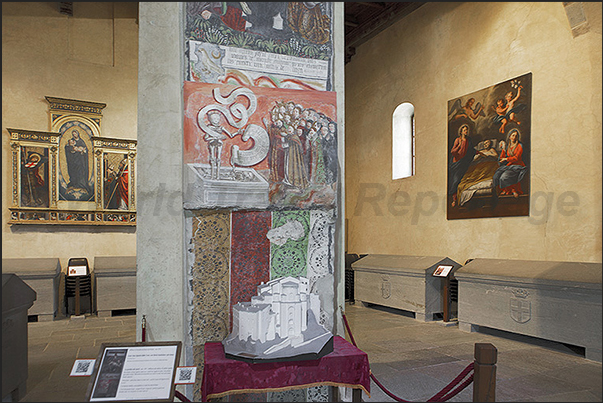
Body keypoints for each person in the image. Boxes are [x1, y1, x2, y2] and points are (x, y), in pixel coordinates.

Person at [493, 128, 527, 198]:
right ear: (509, 137)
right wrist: (503, 149)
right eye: (513, 135)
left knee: (504, 177)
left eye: (516, 136)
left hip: (517, 165)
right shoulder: (507, 146)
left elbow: (516, 158)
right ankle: (503, 190)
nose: (514, 137)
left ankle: (513, 190)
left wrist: (506, 159)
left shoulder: (520, 145)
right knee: (496, 176)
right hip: (509, 165)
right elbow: (501, 158)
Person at [448, 124, 476, 207]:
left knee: (462, 180)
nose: (466, 131)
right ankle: (454, 199)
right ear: (461, 131)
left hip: (464, 162)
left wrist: (480, 153)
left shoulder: (469, 140)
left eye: (467, 130)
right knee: (456, 180)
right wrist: (459, 147)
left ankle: (461, 199)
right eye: (464, 130)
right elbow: (453, 151)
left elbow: (472, 150)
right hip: (457, 163)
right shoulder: (458, 140)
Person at [204, 110, 236, 180]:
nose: (216, 120)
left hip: (219, 143)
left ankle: (217, 176)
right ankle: (212, 176)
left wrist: (237, 133)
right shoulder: (209, 128)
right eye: (214, 119)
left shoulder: (221, 128)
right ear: (210, 119)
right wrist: (213, 137)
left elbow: (230, 135)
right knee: (212, 159)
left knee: (218, 159)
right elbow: (206, 138)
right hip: (212, 143)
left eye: (217, 119)